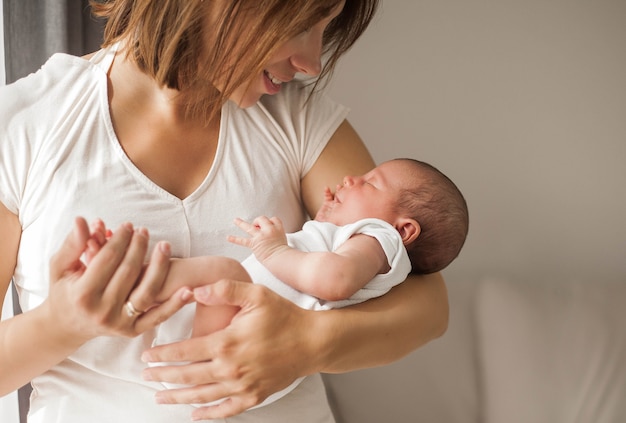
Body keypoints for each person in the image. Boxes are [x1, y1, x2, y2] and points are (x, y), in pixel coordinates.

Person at [0, 1, 450, 422]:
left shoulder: (300, 120)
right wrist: (59, 325)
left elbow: (428, 304)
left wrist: (307, 343)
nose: (312, 63)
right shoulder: (27, 124)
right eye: (299, 26)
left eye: (324, 28)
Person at [84, 157, 469, 408]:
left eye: (371, 182)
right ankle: (125, 275)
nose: (351, 176)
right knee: (203, 277)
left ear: (404, 229)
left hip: (250, 349)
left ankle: (122, 273)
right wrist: (327, 217)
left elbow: (332, 280)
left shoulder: (380, 238)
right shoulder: (360, 244)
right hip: (236, 358)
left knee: (222, 272)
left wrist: (272, 251)